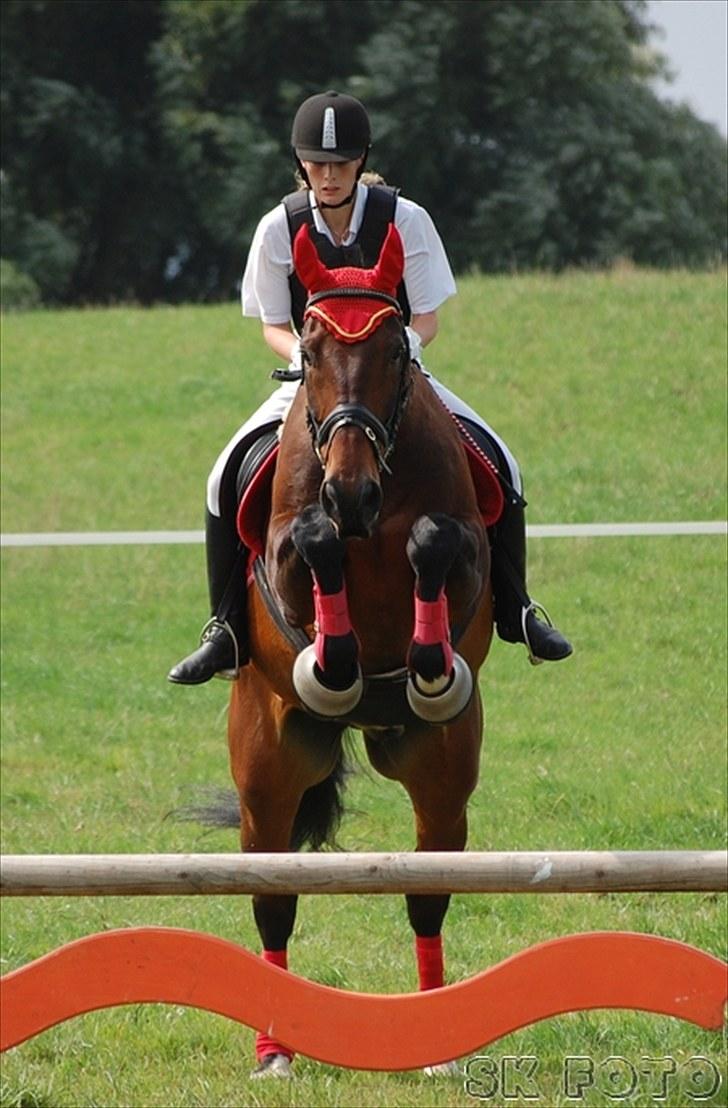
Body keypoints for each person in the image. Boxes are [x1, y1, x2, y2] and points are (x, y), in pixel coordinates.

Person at [168, 91, 571, 686]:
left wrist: (402, 349)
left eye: (341, 163)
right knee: (221, 476)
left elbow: (426, 317)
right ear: (301, 163)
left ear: (361, 161)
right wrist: (306, 360)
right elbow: (273, 325)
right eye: (317, 164)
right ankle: (225, 628)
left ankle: (517, 608)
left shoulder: (405, 219)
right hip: (314, 380)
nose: (329, 175)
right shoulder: (278, 227)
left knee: (502, 462)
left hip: (393, 375)